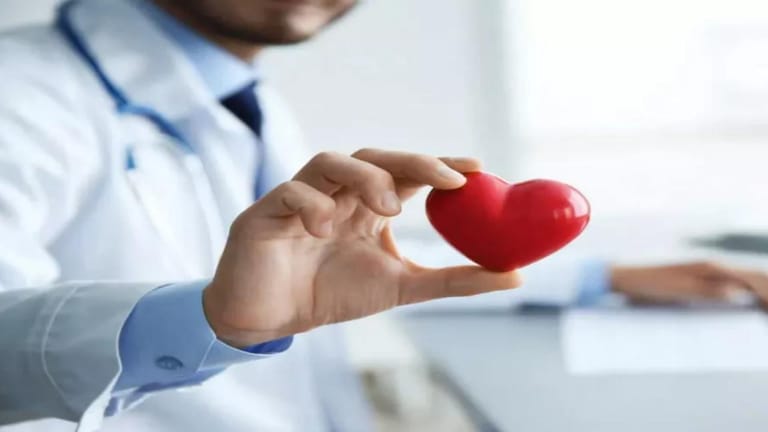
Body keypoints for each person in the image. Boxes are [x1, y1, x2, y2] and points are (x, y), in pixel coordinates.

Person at [0, 0, 766, 431]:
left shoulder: (237, 90)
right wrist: (207, 321)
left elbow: (343, 259)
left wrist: (602, 276)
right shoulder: (20, 94)